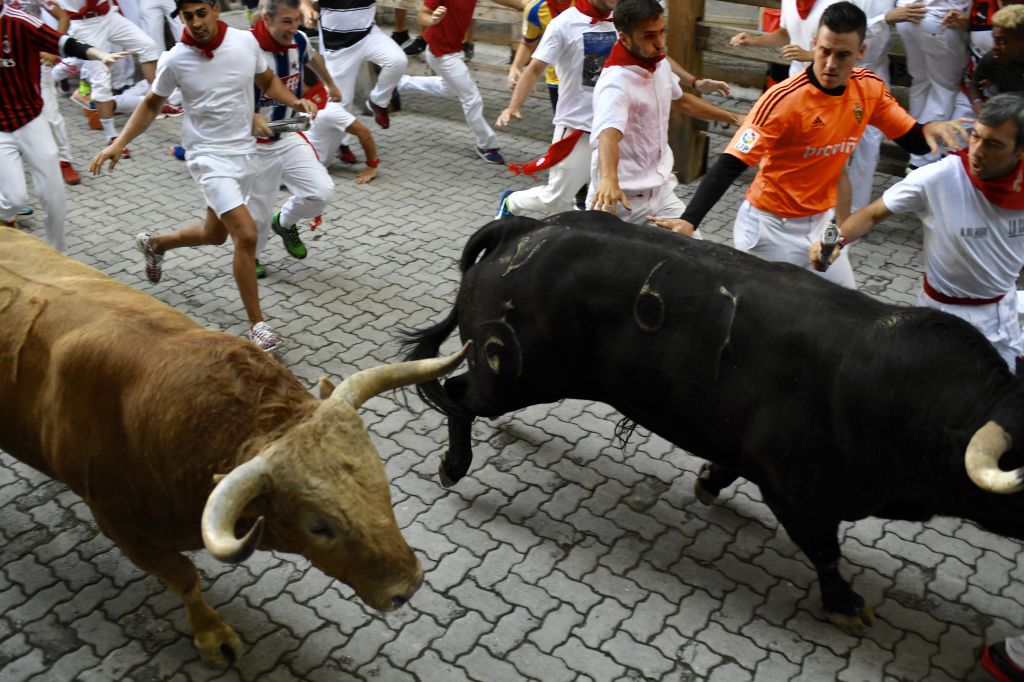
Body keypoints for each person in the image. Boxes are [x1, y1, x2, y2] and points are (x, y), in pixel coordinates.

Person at [651, 2, 967, 289]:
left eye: (842, 55)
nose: (830, 64)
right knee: (764, 318)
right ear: (814, 43)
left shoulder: (869, 89)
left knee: (847, 306)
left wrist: (931, 130)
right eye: (824, 51)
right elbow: (731, 162)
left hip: (821, 226)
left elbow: (913, 140)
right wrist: (690, 220)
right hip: (770, 229)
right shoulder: (783, 99)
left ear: (861, 52)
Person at [90, 0, 318, 352]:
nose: (196, 22)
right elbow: (151, 104)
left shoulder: (244, 43)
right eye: (188, 16)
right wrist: (119, 143)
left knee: (215, 234)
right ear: (181, 17)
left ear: (214, 10)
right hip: (207, 159)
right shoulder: (175, 59)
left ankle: (155, 244)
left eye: (201, 13)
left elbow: (267, 80)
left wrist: (294, 101)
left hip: (244, 152)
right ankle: (258, 326)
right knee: (246, 235)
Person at [811, 93, 1024, 370]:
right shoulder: (939, 178)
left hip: (1003, 318)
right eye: (975, 137)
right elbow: (873, 213)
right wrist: (836, 242)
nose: (977, 151)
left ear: (1020, 152)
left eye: (993, 144)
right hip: (944, 320)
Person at [588, 0, 744, 225]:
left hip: (661, 192)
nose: (660, 43)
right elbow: (608, 135)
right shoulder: (616, 83)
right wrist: (609, 179)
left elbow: (682, 101)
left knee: (690, 242)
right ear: (625, 38)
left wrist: (735, 117)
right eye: (649, 36)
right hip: (621, 200)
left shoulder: (659, 64)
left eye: (662, 32)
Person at [0, 1, 122, 246]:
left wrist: (99, 55)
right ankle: (6, 219)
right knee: (14, 198)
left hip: (31, 121)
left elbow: (64, 43)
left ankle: (56, 252)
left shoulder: (19, 21)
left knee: (54, 198)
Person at [494, 0, 617, 217]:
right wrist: (513, 105)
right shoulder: (564, 24)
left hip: (615, 125)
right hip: (578, 127)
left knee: (611, 196)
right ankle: (512, 202)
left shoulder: (624, 18)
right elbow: (535, 68)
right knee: (555, 199)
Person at [248, 0, 335, 278]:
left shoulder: (298, 39)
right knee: (258, 214)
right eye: (287, 21)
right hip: (254, 145)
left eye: (297, 20)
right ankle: (251, 257)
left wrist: (330, 84)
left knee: (321, 192)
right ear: (266, 19)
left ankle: (284, 222)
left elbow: (312, 56)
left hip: (287, 132)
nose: (294, 27)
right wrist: (248, 117)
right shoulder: (245, 49)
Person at [396, 0, 503, 163]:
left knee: (448, 88)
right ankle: (486, 145)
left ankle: (398, 84)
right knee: (472, 98)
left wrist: (524, 6)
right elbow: (422, 14)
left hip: (454, 49)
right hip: (442, 52)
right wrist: (433, 19)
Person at [847, 0, 926, 211]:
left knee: (870, 142)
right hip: (846, 71)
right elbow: (845, 30)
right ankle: (827, 205)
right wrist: (885, 19)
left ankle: (855, 210)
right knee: (837, 139)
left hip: (876, 71)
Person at [56, 0, 160, 156]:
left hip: (108, 15)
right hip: (84, 24)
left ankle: (159, 98)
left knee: (147, 45)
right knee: (100, 78)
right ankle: (111, 137)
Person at [895, 0, 970, 168]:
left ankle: (915, 146)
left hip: (907, 14)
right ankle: (921, 159)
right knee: (944, 89)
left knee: (920, 82)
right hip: (939, 19)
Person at [730, 0, 842, 78]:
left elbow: (848, 47)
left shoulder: (841, 3)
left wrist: (811, 55)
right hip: (796, 78)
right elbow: (785, 34)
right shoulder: (789, 2)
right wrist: (753, 40)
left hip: (829, 81)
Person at [968, 4, 1024, 112]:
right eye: (994, 40)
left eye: (1002, 41)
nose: (995, 47)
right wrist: (977, 104)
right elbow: (974, 84)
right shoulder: (994, 59)